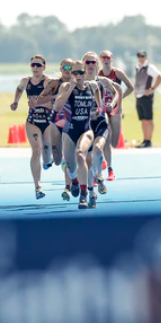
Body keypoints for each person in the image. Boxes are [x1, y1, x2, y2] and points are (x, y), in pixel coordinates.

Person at [52, 60, 102, 210]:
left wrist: (99, 107)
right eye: (75, 73)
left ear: (85, 72)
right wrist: (71, 88)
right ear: (71, 74)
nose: (78, 75)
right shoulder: (66, 86)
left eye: (81, 72)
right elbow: (57, 106)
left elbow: (98, 91)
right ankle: (74, 181)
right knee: (71, 166)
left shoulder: (92, 86)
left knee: (81, 154)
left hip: (86, 129)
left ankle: (83, 195)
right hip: (69, 130)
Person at [10, 55, 54, 200]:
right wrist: (15, 101)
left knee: (47, 153)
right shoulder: (25, 81)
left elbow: (53, 102)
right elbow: (19, 89)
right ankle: (38, 186)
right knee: (36, 150)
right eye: (33, 65)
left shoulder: (48, 82)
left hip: (47, 121)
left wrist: (38, 103)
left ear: (44, 68)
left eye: (38, 65)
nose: (35, 68)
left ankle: (48, 161)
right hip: (33, 121)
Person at [32, 58, 73, 200]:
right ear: (61, 68)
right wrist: (59, 96)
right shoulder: (54, 84)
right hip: (57, 122)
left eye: (71, 67)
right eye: (65, 67)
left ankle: (68, 186)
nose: (68, 70)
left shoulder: (78, 82)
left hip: (72, 123)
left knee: (69, 155)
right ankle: (62, 164)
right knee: (57, 160)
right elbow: (40, 99)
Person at [82, 51, 120, 193]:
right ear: (83, 64)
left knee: (98, 149)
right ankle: (91, 183)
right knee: (88, 156)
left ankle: (99, 176)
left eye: (93, 62)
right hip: (85, 124)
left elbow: (117, 91)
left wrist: (113, 104)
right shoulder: (79, 83)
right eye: (87, 62)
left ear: (97, 65)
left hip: (100, 123)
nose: (90, 65)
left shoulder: (102, 81)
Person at [98, 50, 134, 181]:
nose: (106, 59)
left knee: (114, 142)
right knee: (106, 135)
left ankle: (107, 153)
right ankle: (108, 166)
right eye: (103, 57)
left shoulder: (117, 73)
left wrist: (120, 98)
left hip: (116, 108)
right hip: (103, 107)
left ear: (111, 59)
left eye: (108, 57)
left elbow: (130, 87)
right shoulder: (98, 74)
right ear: (101, 60)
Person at [134, 51, 161, 148]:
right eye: (139, 56)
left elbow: (160, 77)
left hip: (146, 95)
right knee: (143, 119)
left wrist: (152, 89)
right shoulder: (138, 67)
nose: (140, 58)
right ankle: (145, 139)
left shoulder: (149, 67)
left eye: (142, 56)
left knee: (148, 118)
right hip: (139, 95)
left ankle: (149, 140)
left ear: (146, 57)